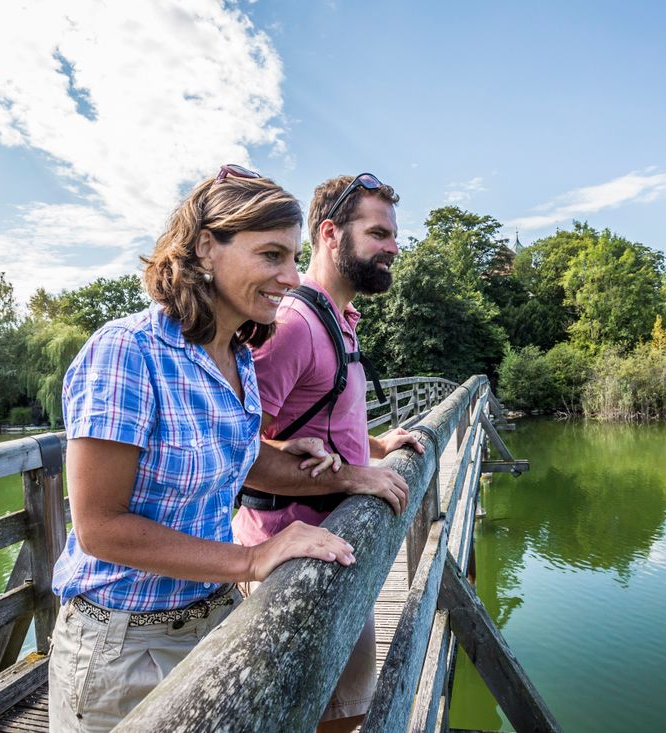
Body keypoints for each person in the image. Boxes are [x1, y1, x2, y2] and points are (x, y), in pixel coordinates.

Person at [48, 165, 361, 733]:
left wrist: (314, 464)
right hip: (125, 647)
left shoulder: (237, 355)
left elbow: (238, 459)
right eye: (271, 255)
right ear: (204, 248)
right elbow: (99, 526)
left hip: (215, 618)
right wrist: (252, 558)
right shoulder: (127, 352)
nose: (292, 277)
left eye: (294, 257)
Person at [235, 173, 425, 732]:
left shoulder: (339, 320)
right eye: (378, 233)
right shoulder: (294, 324)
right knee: (321, 718)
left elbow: (319, 417)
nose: (393, 247)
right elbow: (239, 445)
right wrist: (352, 478)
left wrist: (377, 445)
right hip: (289, 565)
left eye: (393, 235)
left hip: (334, 546)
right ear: (330, 233)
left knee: (349, 711)